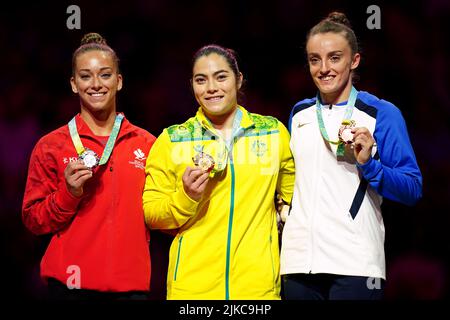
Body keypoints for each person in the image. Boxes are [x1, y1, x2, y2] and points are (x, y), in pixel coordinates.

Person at [280, 12, 423, 300]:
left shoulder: (381, 113)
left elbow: (412, 188)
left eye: (334, 58)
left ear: (354, 60)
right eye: (314, 59)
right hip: (296, 261)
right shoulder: (299, 114)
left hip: (355, 262)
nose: (324, 68)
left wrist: (370, 165)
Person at [142, 44, 295, 300]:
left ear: (239, 80)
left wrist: (283, 214)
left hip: (258, 290)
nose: (211, 87)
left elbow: (295, 199)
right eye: (201, 80)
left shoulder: (272, 133)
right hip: (191, 291)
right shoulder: (173, 140)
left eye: (221, 77)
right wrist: (186, 197)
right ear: (192, 85)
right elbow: (152, 214)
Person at [22, 33, 156, 300]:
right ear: (74, 84)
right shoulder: (51, 146)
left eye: (105, 75)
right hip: (70, 288)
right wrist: (68, 194)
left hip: (130, 289)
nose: (96, 84)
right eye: (85, 76)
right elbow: (33, 221)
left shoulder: (147, 143)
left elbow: (160, 213)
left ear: (119, 81)